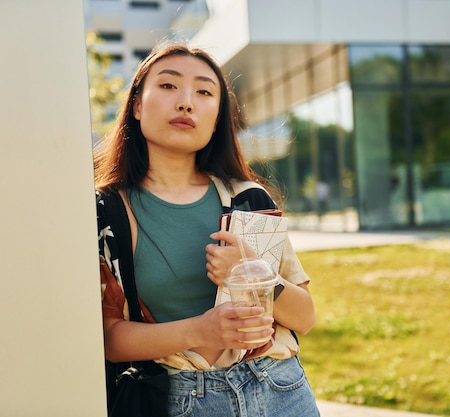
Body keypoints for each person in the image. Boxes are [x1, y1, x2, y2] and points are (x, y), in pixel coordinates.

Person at [94, 42, 320, 417]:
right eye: (168, 86)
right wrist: (200, 330)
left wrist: (253, 271)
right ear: (136, 105)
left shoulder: (248, 198)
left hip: (279, 389)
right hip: (180, 399)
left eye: (203, 92)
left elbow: (305, 317)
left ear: (217, 118)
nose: (186, 103)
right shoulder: (108, 213)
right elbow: (109, 337)